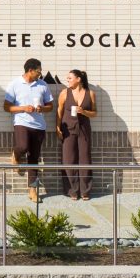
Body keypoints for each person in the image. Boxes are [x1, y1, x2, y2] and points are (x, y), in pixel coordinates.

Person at [2, 57, 54, 202]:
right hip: (21, 122)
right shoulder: (15, 84)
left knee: (34, 158)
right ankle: (16, 155)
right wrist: (23, 108)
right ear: (30, 70)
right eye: (38, 71)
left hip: (39, 126)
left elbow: (50, 106)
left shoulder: (42, 85)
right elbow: (7, 107)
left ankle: (32, 190)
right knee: (22, 146)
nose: (40, 73)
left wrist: (41, 108)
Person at [56, 68, 98, 200]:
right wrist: (57, 128)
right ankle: (72, 190)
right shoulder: (64, 93)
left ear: (78, 79)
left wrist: (84, 112)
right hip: (68, 130)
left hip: (84, 130)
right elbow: (59, 111)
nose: (67, 80)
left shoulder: (90, 93)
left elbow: (95, 113)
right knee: (68, 159)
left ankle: (85, 190)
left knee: (85, 159)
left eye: (69, 78)